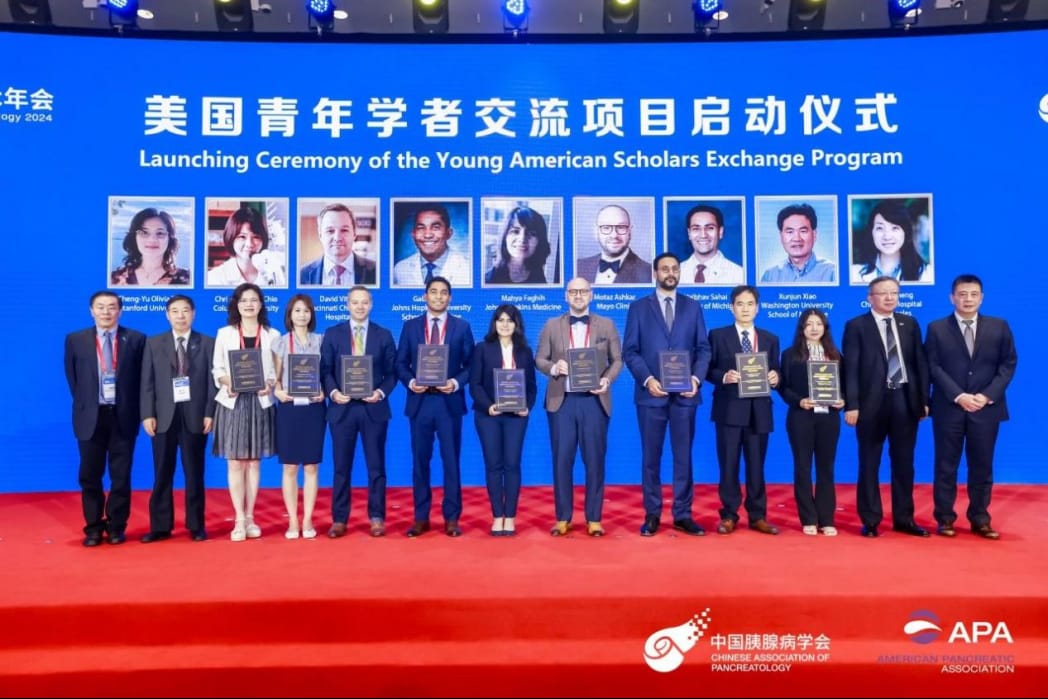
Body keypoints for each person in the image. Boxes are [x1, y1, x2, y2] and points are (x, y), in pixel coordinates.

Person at [623, 253, 711, 537]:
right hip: (651, 395)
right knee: (651, 457)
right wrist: (648, 380)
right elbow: (630, 351)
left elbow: (703, 349)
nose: (670, 273)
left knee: (683, 457)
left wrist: (695, 379)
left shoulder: (693, 307)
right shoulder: (638, 308)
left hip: (685, 396)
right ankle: (652, 514)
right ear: (655, 274)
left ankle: (683, 514)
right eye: (664, 269)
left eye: (674, 269)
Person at [925, 274, 1017, 539]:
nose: (968, 299)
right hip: (949, 408)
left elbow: (1008, 364)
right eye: (962, 294)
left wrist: (986, 396)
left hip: (986, 409)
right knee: (946, 466)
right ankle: (945, 518)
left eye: (973, 294)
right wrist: (958, 395)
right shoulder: (936, 328)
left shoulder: (999, 326)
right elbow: (932, 366)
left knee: (982, 466)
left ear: (982, 298)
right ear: (952, 297)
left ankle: (980, 518)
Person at [842, 276, 930, 538]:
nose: (890, 297)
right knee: (869, 462)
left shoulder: (909, 323)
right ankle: (870, 520)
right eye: (883, 293)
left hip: (904, 400)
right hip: (870, 404)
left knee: (904, 463)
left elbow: (920, 364)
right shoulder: (856, 326)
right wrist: (852, 405)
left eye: (894, 292)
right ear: (870, 297)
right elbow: (851, 369)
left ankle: (904, 519)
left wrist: (924, 401)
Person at [535, 277, 623, 537]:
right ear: (566, 295)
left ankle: (594, 518)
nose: (578, 296)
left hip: (594, 401)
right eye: (573, 292)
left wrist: (607, 380)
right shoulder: (551, 325)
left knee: (594, 460)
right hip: (562, 402)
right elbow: (539, 358)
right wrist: (554, 367)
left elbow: (618, 360)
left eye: (583, 291)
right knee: (562, 461)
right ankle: (563, 518)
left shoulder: (607, 325)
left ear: (591, 294)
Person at [395, 276, 475, 537]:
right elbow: (400, 363)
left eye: (443, 292)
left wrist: (455, 382)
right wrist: (411, 382)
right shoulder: (410, 326)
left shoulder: (461, 327)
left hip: (448, 403)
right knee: (420, 462)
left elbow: (471, 365)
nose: (438, 296)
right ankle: (421, 517)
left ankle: (452, 518)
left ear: (450, 298)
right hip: (420, 403)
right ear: (425, 296)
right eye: (433, 292)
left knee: (451, 461)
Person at [64, 291, 146, 546]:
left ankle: (116, 526)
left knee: (121, 476)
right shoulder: (76, 340)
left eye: (111, 307)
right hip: (91, 417)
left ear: (120, 311)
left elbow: (142, 380)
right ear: (91, 310)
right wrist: (89, 404)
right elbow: (73, 379)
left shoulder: (136, 339)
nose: (106, 312)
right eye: (100, 307)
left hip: (123, 416)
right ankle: (93, 527)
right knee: (90, 475)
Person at [321, 285, 397, 538]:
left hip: (373, 408)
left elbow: (393, 373)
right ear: (347, 305)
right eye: (355, 302)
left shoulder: (383, 335)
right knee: (341, 467)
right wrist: (333, 392)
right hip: (342, 409)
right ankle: (339, 519)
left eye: (364, 302)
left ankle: (377, 517)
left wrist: (380, 393)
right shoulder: (333, 334)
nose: (360, 307)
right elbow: (325, 370)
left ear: (371, 305)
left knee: (376, 467)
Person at [139, 295, 216, 543]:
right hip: (163, 417)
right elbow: (147, 383)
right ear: (167, 315)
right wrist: (147, 414)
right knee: (162, 473)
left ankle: (196, 525)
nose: (180, 316)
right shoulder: (154, 343)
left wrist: (209, 412)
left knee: (194, 473)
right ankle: (160, 526)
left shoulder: (208, 343)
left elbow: (212, 383)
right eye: (175, 311)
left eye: (185, 311)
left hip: (195, 416)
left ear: (193, 314)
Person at [707, 285, 781, 536]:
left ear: (757, 308)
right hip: (729, 410)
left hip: (759, 411)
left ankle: (758, 516)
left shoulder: (770, 339)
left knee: (757, 466)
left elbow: (777, 370)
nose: (745, 309)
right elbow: (707, 370)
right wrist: (723, 376)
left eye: (750, 304)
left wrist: (776, 377)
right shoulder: (718, 335)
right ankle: (729, 515)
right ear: (732, 308)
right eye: (740, 304)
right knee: (728, 464)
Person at [211, 282, 279, 541]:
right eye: (244, 300)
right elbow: (217, 369)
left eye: (254, 300)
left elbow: (276, 371)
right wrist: (228, 381)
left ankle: (250, 517)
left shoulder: (272, 334)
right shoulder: (224, 333)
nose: (249, 304)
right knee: (235, 461)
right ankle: (238, 518)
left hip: (260, 402)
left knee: (253, 462)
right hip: (233, 402)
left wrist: (270, 383)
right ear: (236, 305)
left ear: (261, 304)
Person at [469, 304, 538, 536]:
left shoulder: (525, 351)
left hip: (516, 418)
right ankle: (497, 516)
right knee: (493, 465)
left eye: (510, 320)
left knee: (512, 464)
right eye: (501, 320)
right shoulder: (482, 348)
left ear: (516, 324)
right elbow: (475, 384)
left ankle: (510, 516)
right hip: (488, 415)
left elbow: (531, 387)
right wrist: (489, 406)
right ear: (494, 323)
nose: (505, 324)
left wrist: (527, 406)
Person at [777, 308, 845, 536]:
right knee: (803, 467)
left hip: (829, 418)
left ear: (825, 328)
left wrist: (842, 400)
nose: (814, 328)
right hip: (801, 417)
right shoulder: (790, 355)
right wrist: (799, 401)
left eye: (819, 324)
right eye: (809, 324)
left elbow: (845, 385)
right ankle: (808, 518)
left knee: (826, 468)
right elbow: (783, 387)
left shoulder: (836, 355)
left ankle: (826, 519)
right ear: (802, 328)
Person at [272, 294, 327, 540]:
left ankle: (308, 519)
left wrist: (324, 390)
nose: (302, 315)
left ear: (311, 314)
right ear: (290, 315)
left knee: (312, 466)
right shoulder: (281, 343)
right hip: (289, 409)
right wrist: (278, 391)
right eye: (297, 311)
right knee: (290, 466)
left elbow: (327, 374)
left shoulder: (322, 341)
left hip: (314, 409)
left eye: (306, 311)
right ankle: (293, 520)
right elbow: (275, 378)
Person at [851, 200, 933, 284]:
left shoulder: (928, 274)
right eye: (880, 228)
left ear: (906, 232)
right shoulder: (853, 273)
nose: (887, 236)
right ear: (871, 232)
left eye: (895, 228)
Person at [392, 203, 471, 287]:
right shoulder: (400, 269)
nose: (427, 235)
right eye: (421, 228)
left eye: (436, 227)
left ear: (448, 233)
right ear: (413, 234)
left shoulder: (468, 269)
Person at [206, 206, 286, 287]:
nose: (249, 244)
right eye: (242, 237)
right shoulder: (215, 278)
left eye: (256, 237)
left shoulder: (274, 272)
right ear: (231, 237)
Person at [299, 204, 377, 286]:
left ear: (354, 234)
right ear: (320, 235)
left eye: (344, 230)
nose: (337, 238)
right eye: (330, 231)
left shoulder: (377, 271)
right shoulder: (301, 275)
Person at [111, 208, 190, 286]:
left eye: (160, 233)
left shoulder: (188, 279)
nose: (152, 239)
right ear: (134, 237)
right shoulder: (114, 278)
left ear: (170, 239)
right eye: (144, 232)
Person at [760, 203, 836, 283]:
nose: (796, 238)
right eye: (790, 232)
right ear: (781, 236)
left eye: (803, 231)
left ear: (814, 235)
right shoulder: (770, 276)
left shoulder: (832, 273)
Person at [576, 204, 651, 285]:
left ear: (630, 232)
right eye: (606, 227)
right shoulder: (578, 266)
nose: (614, 235)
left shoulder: (649, 273)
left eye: (621, 227)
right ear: (596, 232)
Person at [678, 205, 744, 286]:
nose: (703, 235)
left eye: (710, 228)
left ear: (720, 232)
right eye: (696, 229)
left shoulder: (739, 275)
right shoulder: (676, 273)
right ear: (689, 233)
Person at [484, 206, 553, 284]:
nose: (522, 238)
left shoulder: (538, 277)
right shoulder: (487, 281)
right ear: (504, 237)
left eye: (531, 233)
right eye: (515, 231)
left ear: (539, 241)